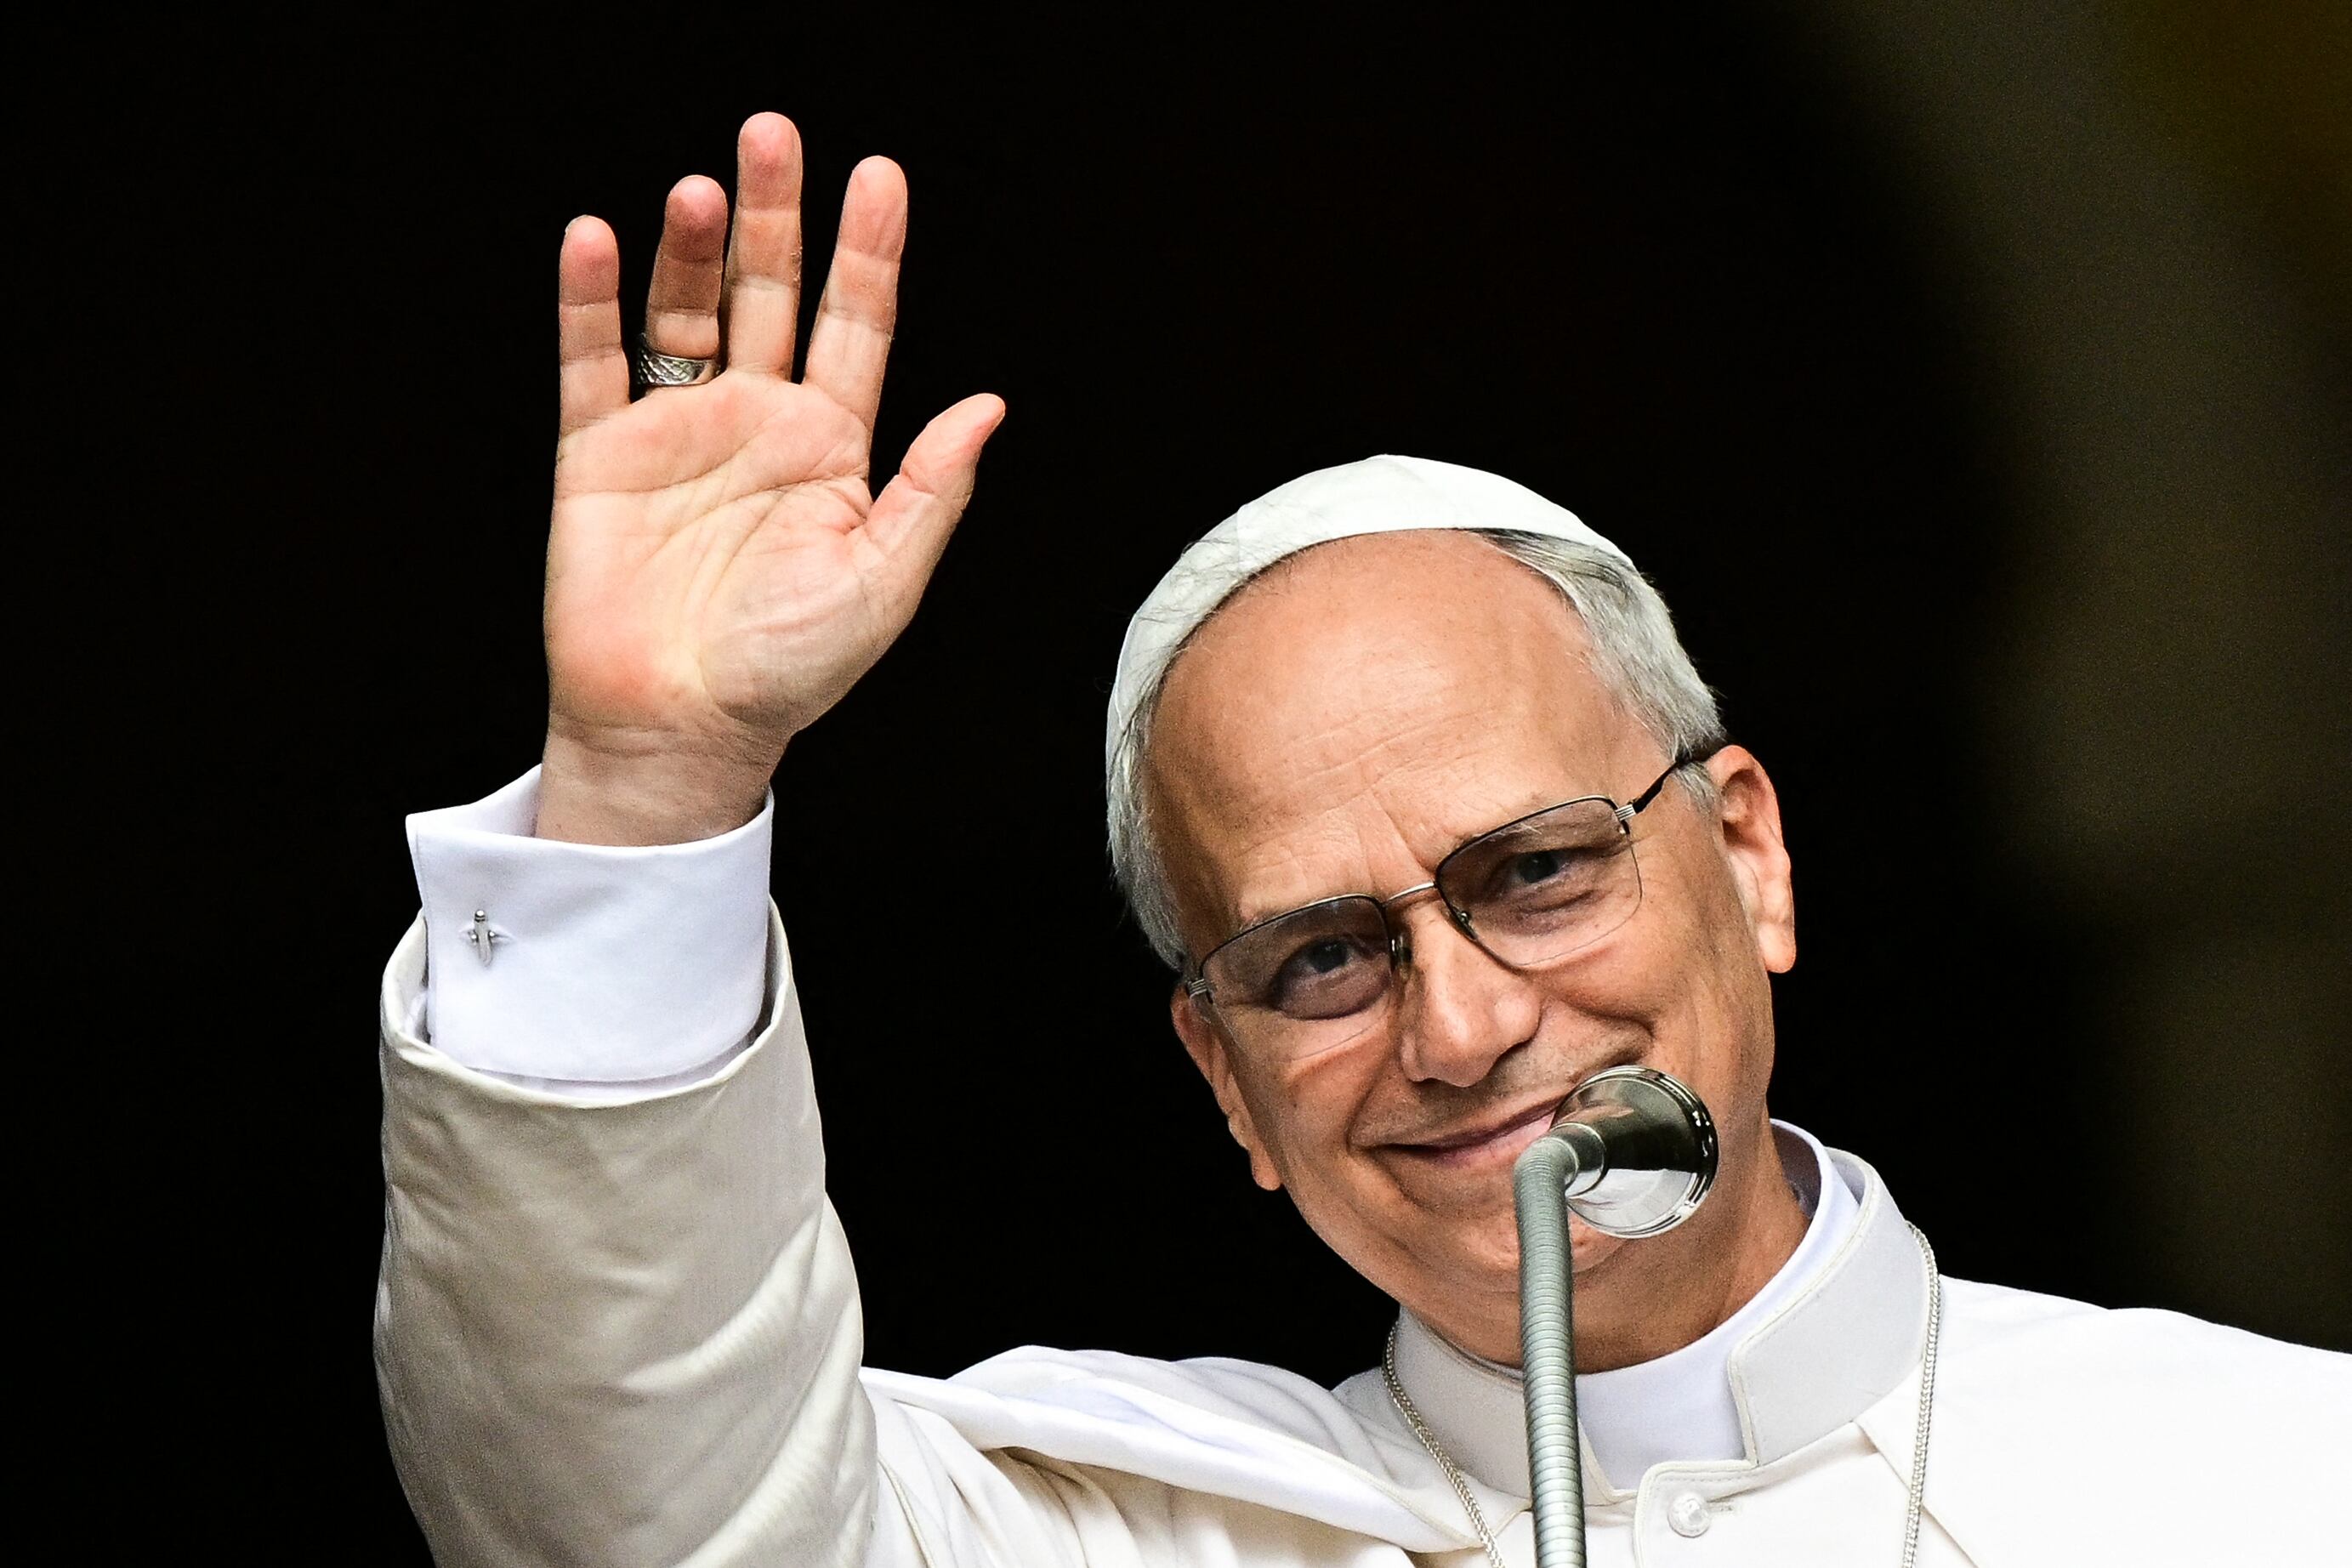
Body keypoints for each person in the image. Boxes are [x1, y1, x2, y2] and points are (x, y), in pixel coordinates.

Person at [376, 113, 2347, 1567]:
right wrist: (652, 781)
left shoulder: (2272, 1481)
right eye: (1323, 956)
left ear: (1746, 856)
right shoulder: (1121, 1535)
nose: (1466, 1026)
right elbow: (616, 1509)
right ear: (1225, 1080)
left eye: (1540, 871)